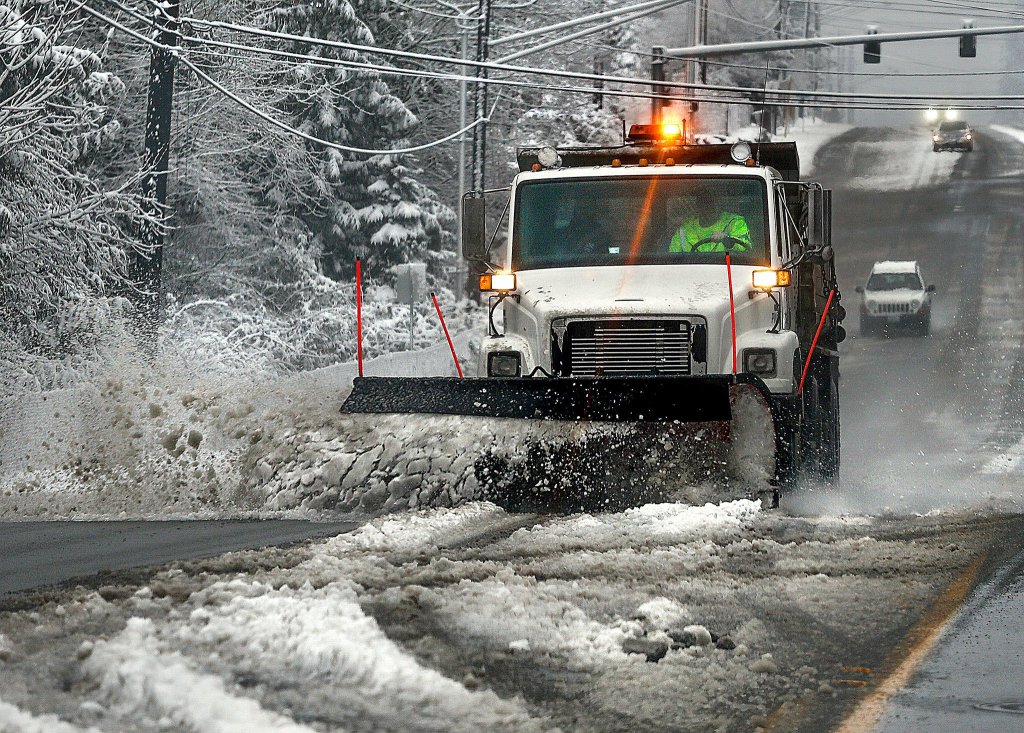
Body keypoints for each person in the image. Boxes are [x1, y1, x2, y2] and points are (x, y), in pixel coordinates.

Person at [669, 191, 752, 253]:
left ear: (720, 204)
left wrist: (728, 240)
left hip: (727, 272)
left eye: (714, 202)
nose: (711, 207)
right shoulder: (685, 229)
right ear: (698, 206)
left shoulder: (735, 223)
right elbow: (672, 259)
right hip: (690, 274)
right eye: (706, 202)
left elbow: (746, 250)